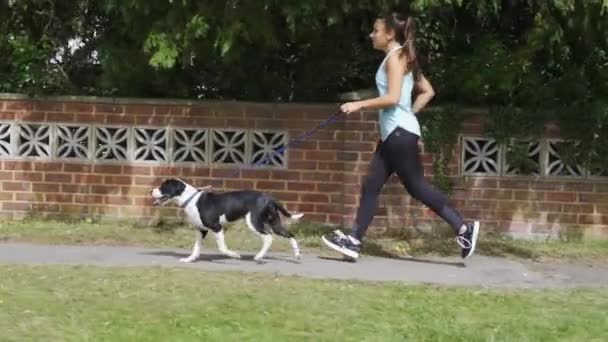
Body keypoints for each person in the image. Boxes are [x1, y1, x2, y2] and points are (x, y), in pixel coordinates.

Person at [321, 12, 480, 261]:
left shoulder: (395, 58)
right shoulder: (406, 58)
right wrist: (410, 113)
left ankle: (463, 228)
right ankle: (353, 242)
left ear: (390, 34)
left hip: (398, 134)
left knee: (417, 188)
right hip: (395, 134)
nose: (371, 35)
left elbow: (393, 98)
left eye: (376, 30)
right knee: (372, 185)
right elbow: (427, 91)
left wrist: (359, 105)